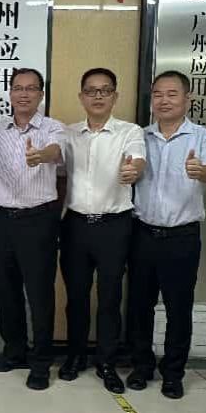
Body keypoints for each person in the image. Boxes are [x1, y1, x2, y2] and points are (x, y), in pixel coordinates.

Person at [127, 70, 206, 400]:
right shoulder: (140, 136)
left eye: (172, 94)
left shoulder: (204, 137)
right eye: (157, 94)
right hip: (142, 233)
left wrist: (202, 171)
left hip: (182, 237)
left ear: (187, 99)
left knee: (178, 308)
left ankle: (173, 374)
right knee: (139, 306)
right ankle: (142, 367)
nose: (164, 100)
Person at [57, 68, 146, 393]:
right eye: (91, 91)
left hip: (114, 226)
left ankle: (106, 362)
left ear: (115, 96)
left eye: (105, 90)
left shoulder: (130, 131)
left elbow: (137, 161)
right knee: (76, 296)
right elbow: (59, 173)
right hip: (76, 225)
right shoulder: (68, 134)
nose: (98, 96)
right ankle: (76, 355)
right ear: (81, 97)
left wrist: (132, 170)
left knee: (110, 297)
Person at [0, 68, 65, 391]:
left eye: (31, 88)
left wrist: (40, 155)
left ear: (41, 94)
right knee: (6, 291)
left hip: (39, 220)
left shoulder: (53, 128)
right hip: (3, 218)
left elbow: (57, 154)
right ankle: (14, 351)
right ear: (10, 93)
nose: (24, 94)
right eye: (18, 88)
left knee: (40, 293)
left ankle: (41, 362)